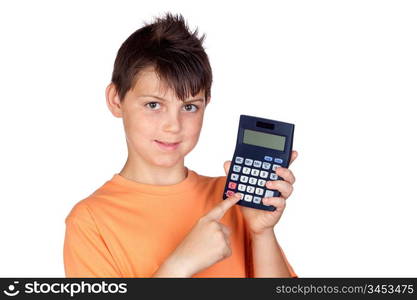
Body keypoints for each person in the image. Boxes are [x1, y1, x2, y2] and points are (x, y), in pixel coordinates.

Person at [63, 12, 298, 278]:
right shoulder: (90, 221)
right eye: (153, 104)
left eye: (189, 107)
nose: (173, 125)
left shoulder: (233, 198)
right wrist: (180, 266)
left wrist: (262, 232)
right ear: (116, 100)